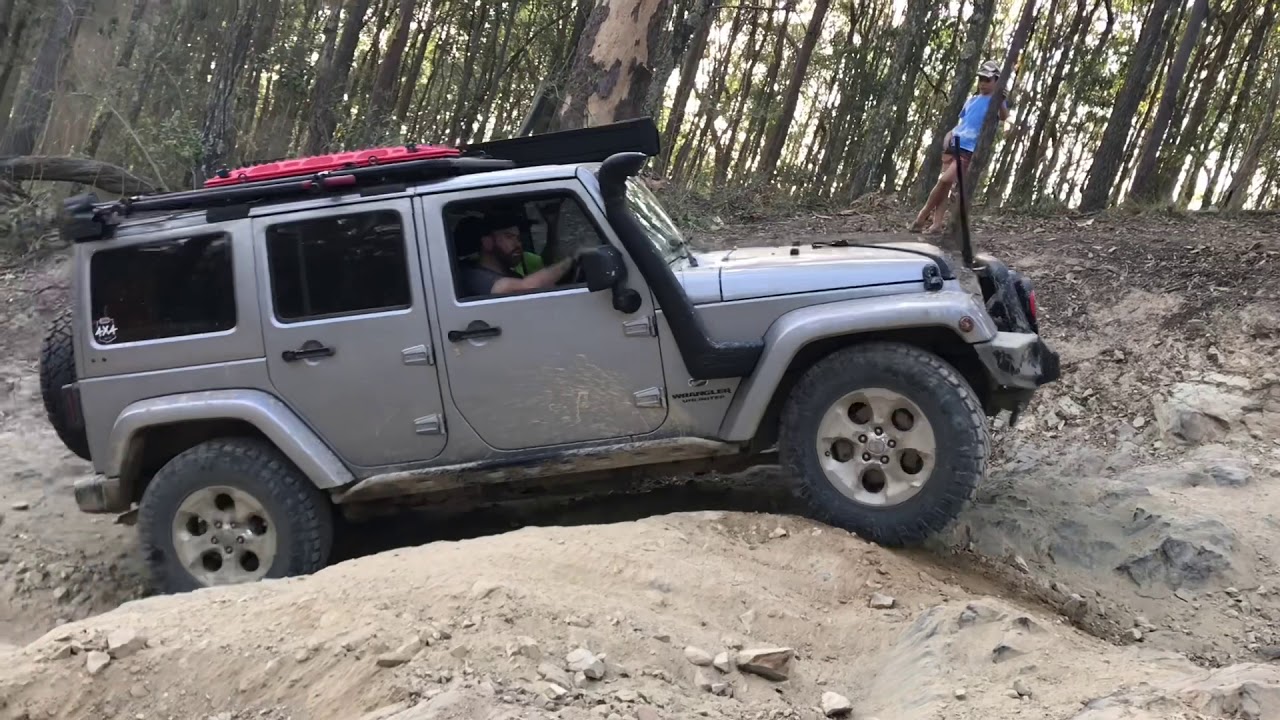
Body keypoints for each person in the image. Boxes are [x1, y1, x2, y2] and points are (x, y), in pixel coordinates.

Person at [911, 60, 1009, 235]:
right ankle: (936, 224)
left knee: (945, 181)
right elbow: (963, 122)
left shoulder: (995, 102)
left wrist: (1001, 99)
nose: (983, 84)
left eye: (988, 80)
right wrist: (950, 133)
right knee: (944, 186)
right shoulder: (971, 100)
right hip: (955, 142)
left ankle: (923, 214)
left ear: (996, 81)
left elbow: (1003, 116)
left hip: (969, 149)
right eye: (981, 80)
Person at [455, 209, 575, 297]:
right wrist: (572, 260)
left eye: (518, 238)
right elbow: (521, 288)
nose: (518, 244)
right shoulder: (471, 275)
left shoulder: (513, 276)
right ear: (487, 242)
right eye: (509, 237)